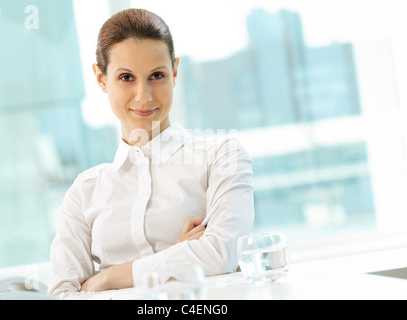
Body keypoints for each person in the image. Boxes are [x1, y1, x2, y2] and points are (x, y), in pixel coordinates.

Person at [47, 8, 254, 299]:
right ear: (101, 78)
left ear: (175, 71)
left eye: (156, 75)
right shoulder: (84, 193)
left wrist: (107, 278)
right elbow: (62, 295)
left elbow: (223, 254)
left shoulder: (221, 156)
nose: (143, 95)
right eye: (126, 77)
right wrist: (178, 256)